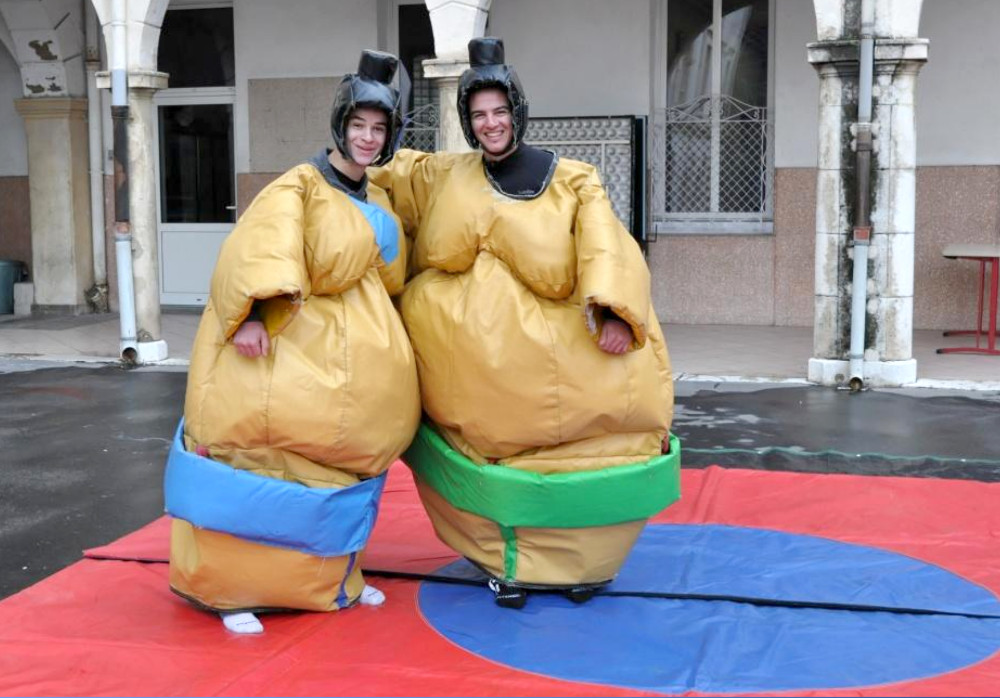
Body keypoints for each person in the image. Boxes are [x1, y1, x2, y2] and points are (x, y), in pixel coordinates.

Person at [370, 37, 676, 607]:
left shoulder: (572, 179)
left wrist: (612, 308)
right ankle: (504, 558)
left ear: (518, 112)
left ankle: (577, 561)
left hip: (557, 354)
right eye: (478, 115)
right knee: (485, 457)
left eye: (499, 112)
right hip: (473, 375)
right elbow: (384, 169)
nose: (490, 125)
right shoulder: (446, 174)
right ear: (467, 121)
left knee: (587, 437)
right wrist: (371, 110)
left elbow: (607, 243)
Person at [164, 50, 420, 633]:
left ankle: (338, 578)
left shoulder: (378, 197)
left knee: (336, 471)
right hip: (291, 350)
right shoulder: (299, 186)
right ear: (339, 124)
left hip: (354, 369)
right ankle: (232, 591)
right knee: (265, 459)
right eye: (358, 125)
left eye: (379, 129)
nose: (367, 138)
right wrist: (254, 311)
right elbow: (259, 245)